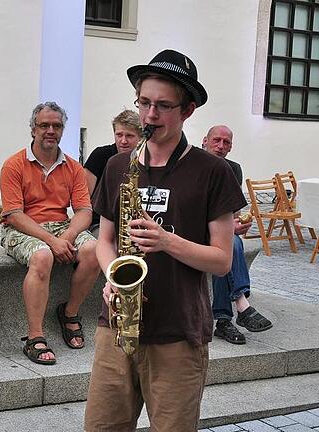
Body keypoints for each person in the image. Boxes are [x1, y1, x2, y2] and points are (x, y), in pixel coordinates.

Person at [84, 49, 246, 431]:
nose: (150, 116)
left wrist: (166, 241)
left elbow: (222, 260)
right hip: (117, 328)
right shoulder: (119, 166)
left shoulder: (213, 171)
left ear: (187, 110)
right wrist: (112, 278)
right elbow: (104, 241)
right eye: (143, 103)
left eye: (162, 106)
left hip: (178, 333)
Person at [0, 102, 101, 365]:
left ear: (63, 130)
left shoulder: (73, 168)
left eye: (56, 126)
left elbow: (84, 212)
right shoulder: (13, 165)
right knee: (43, 256)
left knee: (93, 251)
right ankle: (35, 336)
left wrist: (65, 238)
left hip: (59, 227)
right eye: (44, 125)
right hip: (22, 228)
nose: (50, 131)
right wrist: (52, 241)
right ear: (33, 129)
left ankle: (69, 313)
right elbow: (13, 214)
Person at [202, 125, 273, 344]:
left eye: (226, 143)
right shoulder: (192, 165)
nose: (221, 146)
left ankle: (224, 320)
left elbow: (234, 212)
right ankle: (241, 306)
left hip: (218, 233)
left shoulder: (233, 169)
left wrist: (237, 223)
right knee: (229, 244)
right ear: (205, 141)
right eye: (216, 141)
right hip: (191, 231)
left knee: (231, 242)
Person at [83, 110, 142, 231]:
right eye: (119, 135)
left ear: (140, 137)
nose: (123, 141)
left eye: (129, 136)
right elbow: (83, 198)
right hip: (99, 224)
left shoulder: (146, 160)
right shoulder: (100, 156)